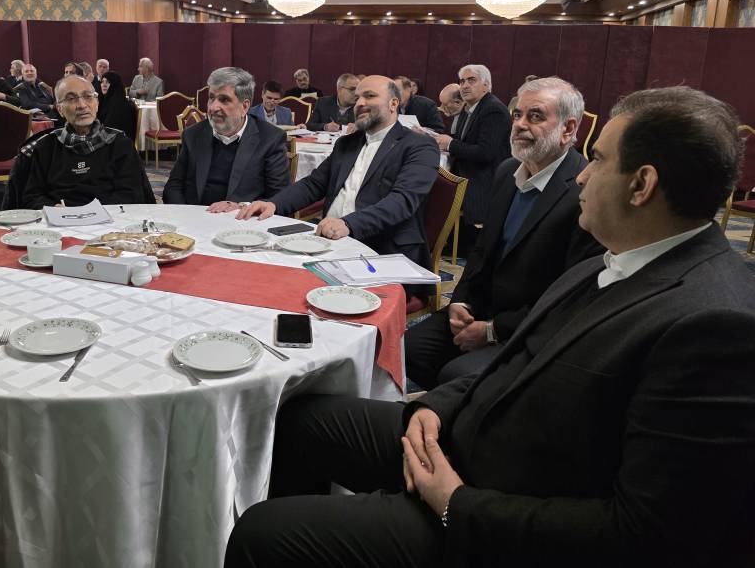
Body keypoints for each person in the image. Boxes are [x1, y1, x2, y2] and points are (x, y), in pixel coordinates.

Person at [226, 86, 755, 568]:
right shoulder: (613, 260)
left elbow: (646, 537)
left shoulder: (714, 326)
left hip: (492, 507)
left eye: (597, 160)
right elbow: (520, 359)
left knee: (260, 533)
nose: (582, 176)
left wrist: (454, 503)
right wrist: (437, 405)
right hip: (466, 434)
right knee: (298, 416)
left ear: (641, 185)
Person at [405, 77, 603, 389]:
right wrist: (461, 301)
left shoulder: (584, 193)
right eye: (517, 115)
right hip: (479, 309)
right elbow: (482, 251)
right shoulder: (508, 171)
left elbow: (568, 297)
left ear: (568, 129)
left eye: (535, 116)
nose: (520, 124)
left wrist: (492, 331)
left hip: (529, 330)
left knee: (455, 376)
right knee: (409, 349)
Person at [239, 75, 439, 274]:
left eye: (369, 96)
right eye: (357, 97)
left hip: (382, 248)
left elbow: (402, 201)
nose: (359, 103)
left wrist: (348, 224)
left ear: (393, 104)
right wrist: (273, 204)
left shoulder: (419, 146)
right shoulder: (347, 142)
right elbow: (314, 184)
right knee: (258, 267)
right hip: (328, 242)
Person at [163, 67, 289, 211]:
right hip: (195, 217)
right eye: (211, 98)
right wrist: (184, 215)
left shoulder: (270, 139)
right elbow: (173, 187)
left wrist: (241, 207)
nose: (213, 107)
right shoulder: (193, 135)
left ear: (244, 107)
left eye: (224, 100)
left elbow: (279, 198)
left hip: (242, 220)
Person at [22, 75, 149, 208]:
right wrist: (52, 207)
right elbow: (32, 196)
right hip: (60, 218)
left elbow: (132, 193)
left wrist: (96, 212)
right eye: (71, 99)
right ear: (60, 109)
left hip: (110, 217)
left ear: (97, 103)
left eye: (88, 97)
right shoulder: (46, 147)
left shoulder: (120, 144)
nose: (82, 106)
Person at [435, 64, 511, 256]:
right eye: (462, 81)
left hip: (484, 177)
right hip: (466, 169)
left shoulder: (493, 110)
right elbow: (461, 141)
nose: (465, 85)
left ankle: (457, 244)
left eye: (471, 80)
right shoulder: (469, 108)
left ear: (486, 85)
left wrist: (450, 144)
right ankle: (438, 240)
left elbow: (485, 153)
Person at [97, 71, 136, 139]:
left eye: (108, 82)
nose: (104, 85)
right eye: (102, 82)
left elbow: (108, 130)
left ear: (115, 84)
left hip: (117, 141)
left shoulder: (119, 105)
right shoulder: (105, 100)